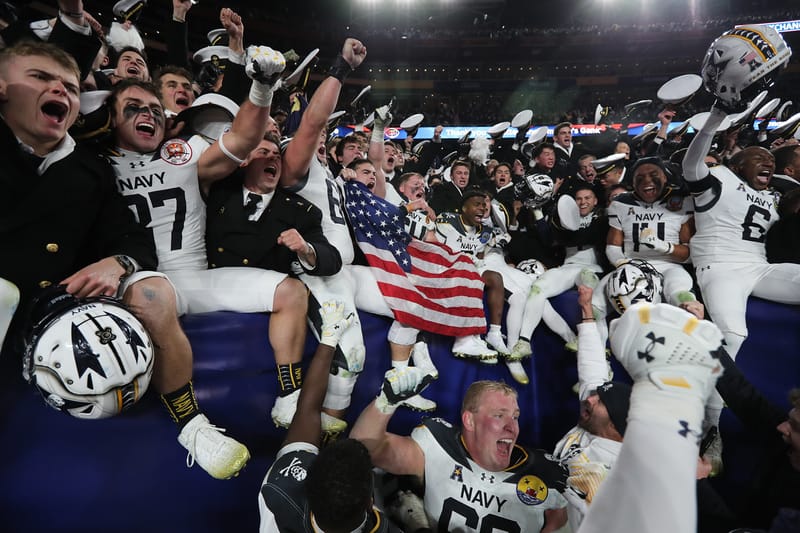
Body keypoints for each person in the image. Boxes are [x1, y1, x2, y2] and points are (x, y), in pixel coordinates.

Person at [0, 40, 249, 480]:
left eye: (71, 86)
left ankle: (191, 424)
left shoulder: (90, 169)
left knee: (147, 296)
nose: (59, 90)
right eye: (40, 78)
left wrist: (117, 261)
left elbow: (132, 239)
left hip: (59, 308)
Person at [279, 38, 368, 430]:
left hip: (344, 270)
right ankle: (321, 440)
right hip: (317, 271)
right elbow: (313, 124)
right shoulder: (295, 163)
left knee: (408, 298)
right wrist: (340, 69)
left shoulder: (328, 171)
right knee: (352, 355)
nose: (318, 141)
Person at [351, 375, 569, 532]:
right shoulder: (438, 445)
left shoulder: (546, 476)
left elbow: (560, 523)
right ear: (469, 420)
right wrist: (385, 402)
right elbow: (362, 450)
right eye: (499, 415)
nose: (512, 427)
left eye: (515, 416)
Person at [258, 301, 396, 532]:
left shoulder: (279, 490)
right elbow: (308, 412)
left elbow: (307, 411)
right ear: (370, 503)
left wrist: (328, 339)